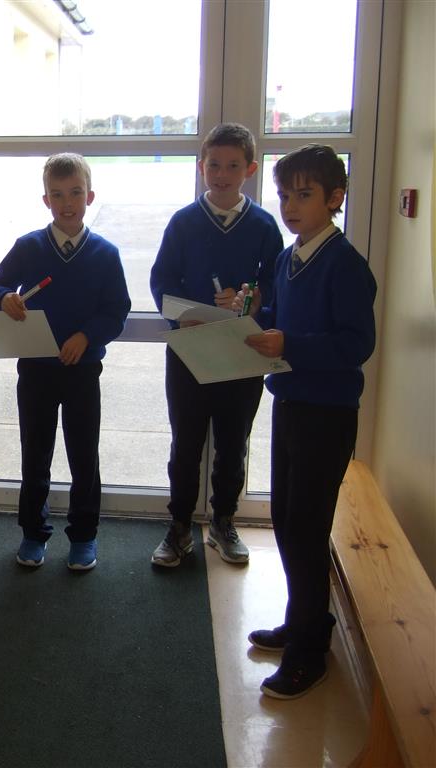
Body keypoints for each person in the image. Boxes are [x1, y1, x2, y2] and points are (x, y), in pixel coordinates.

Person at [237, 144, 376, 699]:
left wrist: (289, 343)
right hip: (291, 405)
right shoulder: (287, 258)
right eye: (284, 196)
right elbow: (276, 317)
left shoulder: (346, 265)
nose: (291, 206)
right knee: (286, 521)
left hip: (328, 413)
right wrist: (253, 317)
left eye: (304, 195)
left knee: (308, 529)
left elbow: (356, 344)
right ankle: (303, 622)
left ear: (334, 198)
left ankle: (309, 652)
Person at [0, 153, 131, 571]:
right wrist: (3, 299)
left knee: (84, 458)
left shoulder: (105, 253)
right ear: (46, 199)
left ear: (90, 196)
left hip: (83, 372)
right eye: (58, 195)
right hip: (36, 372)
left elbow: (117, 310)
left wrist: (87, 336)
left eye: (76, 193)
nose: (67, 203)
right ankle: (33, 533)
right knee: (36, 455)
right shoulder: (29, 247)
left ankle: (84, 536)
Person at [148, 123, 283, 568]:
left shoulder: (264, 226)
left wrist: (254, 300)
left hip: (242, 351)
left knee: (233, 443)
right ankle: (179, 525)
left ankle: (223, 520)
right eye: (214, 165)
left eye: (232, 166)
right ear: (201, 166)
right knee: (185, 444)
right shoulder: (183, 222)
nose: (222, 175)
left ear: (250, 170)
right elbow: (162, 279)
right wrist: (181, 316)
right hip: (189, 350)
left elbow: (273, 284)